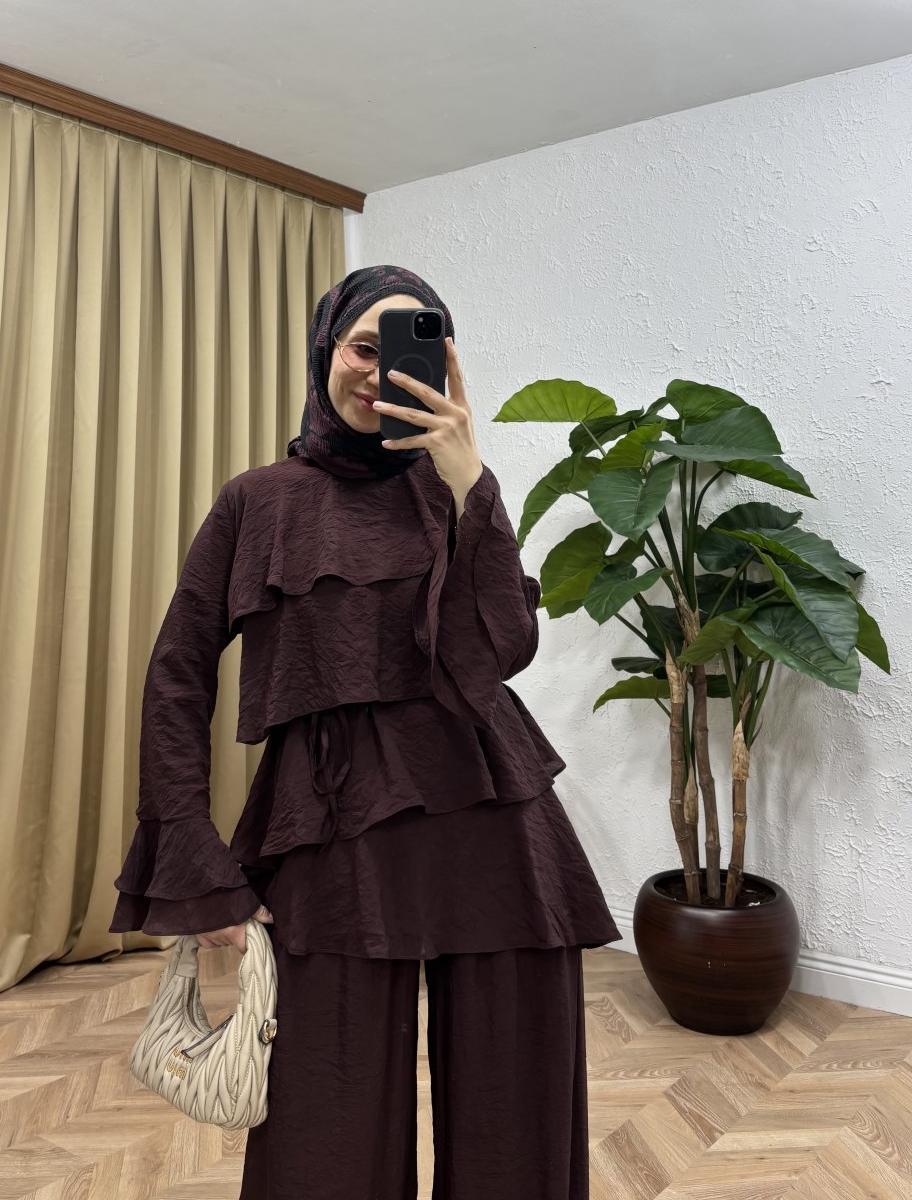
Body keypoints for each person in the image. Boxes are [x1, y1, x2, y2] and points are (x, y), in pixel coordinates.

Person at [109, 265, 620, 1200]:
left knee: (518, 1120)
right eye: (362, 348)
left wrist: (471, 486)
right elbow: (177, 673)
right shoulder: (256, 500)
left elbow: (504, 647)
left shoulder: (457, 487)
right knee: (324, 1130)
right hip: (328, 827)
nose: (380, 373)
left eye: (407, 352)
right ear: (325, 351)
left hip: (496, 822)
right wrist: (192, 856)